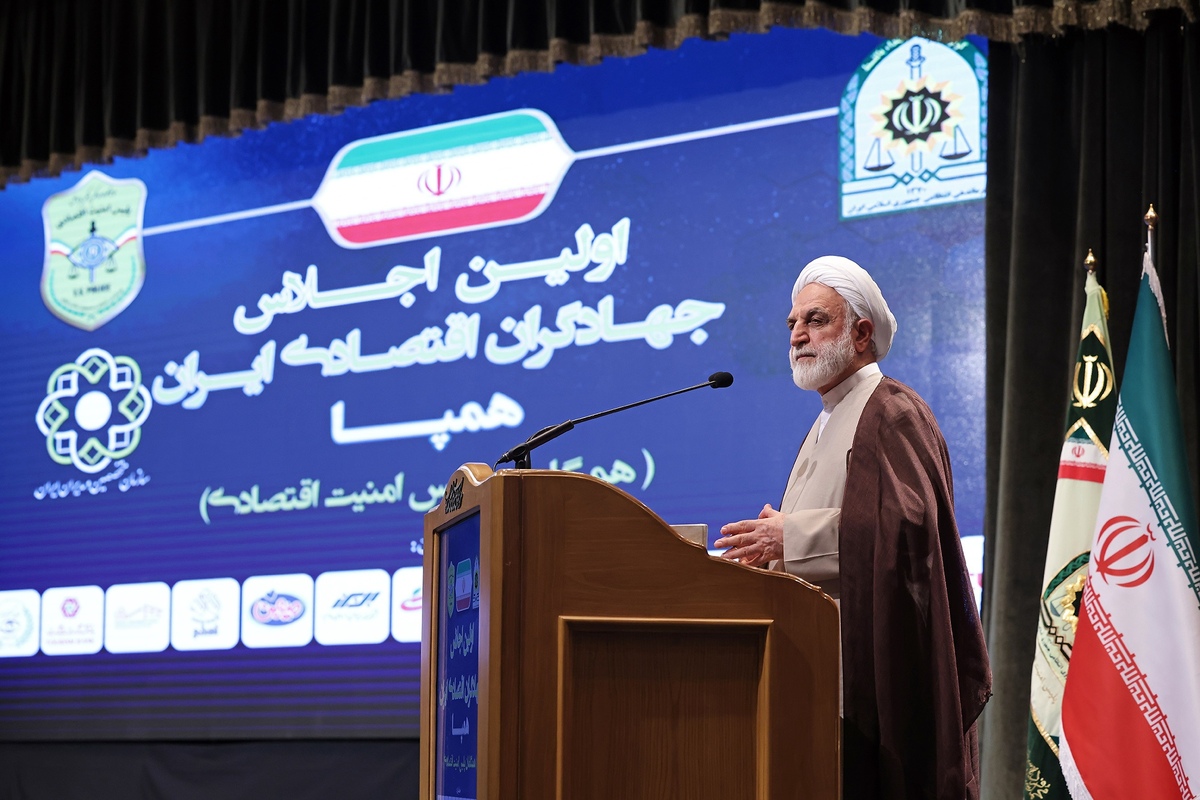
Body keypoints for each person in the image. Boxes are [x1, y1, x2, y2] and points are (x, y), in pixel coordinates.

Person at [714, 256, 991, 800]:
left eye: (815, 320)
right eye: (793, 323)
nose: (797, 335)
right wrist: (768, 556)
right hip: (813, 678)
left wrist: (791, 538)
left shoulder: (891, 410)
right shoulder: (825, 420)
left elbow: (910, 532)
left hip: (868, 688)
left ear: (862, 334)